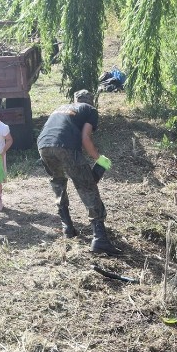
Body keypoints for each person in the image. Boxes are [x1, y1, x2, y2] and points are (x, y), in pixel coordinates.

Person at [37, 90, 116, 254]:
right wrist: (98, 158)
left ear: (74, 100)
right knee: (88, 189)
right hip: (66, 147)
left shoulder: (61, 107)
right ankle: (100, 238)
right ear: (91, 101)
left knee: (58, 183)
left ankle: (68, 228)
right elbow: (85, 138)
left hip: (43, 146)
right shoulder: (90, 109)